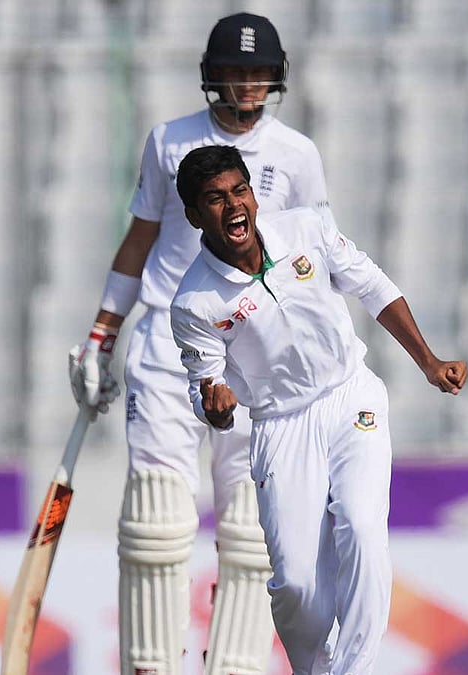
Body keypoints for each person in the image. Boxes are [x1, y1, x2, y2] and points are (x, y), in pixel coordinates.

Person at [67, 13, 332, 674]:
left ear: (276, 77)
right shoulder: (170, 141)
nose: (246, 85)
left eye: (258, 72)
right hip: (165, 331)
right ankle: (151, 665)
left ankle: (234, 667)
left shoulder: (297, 155)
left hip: (257, 342)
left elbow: (315, 257)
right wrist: (104, 331)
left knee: (250, 524)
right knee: (156, 522)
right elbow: (140, 240)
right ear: (212, 76)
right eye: (235, 72)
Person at [168, 144, 468, 674]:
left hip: (350, 396)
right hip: (281, 426)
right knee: (298, 586)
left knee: (360, 523)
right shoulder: (195, 302)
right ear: (195, 216)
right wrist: (213, 407)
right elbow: (205, 386)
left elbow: (370, 285)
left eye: (240, 191)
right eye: (214, 199)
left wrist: (428, 361)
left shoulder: (306, 228)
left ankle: (354, 670)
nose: (233, 205)